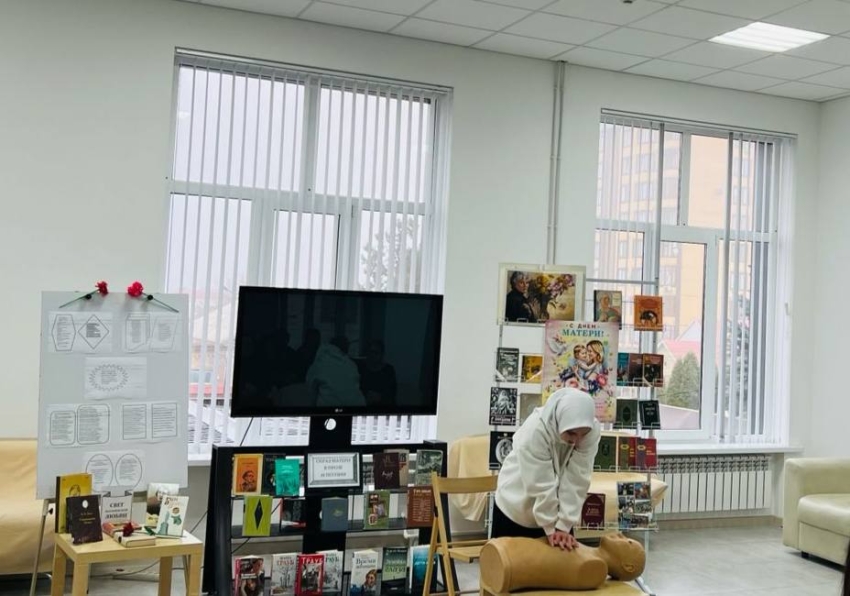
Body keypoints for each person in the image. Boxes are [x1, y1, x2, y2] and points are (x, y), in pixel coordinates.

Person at [493, 388, 601, 551]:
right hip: (515, 506)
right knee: (511, 564)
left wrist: (564, 525)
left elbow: (578, 478)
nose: (577, 441)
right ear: (559, 421)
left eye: (583, 434)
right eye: (571, 433)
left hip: (553, 511)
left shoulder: (591, 430)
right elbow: (540, 483)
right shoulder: (535, 430)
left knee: (559, 564)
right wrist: (551, 527)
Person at [357, 340, 397, 407]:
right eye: (370, 352)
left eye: (376, 352)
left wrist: (380, 397)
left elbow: (392, 393)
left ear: (381, 354)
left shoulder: (388, 370)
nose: (372, 355)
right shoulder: (361, 368)